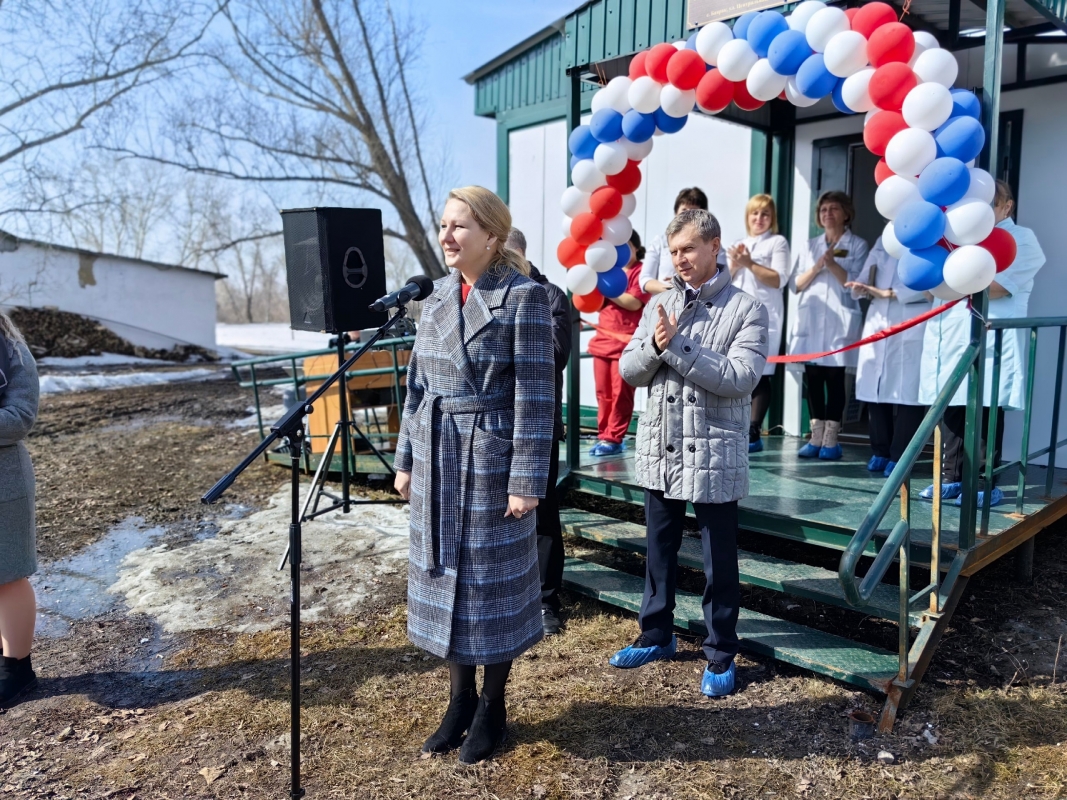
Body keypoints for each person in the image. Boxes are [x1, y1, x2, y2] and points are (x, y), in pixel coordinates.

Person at [394, 187, 555, 764]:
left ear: (491, 234)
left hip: (491, 459)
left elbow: (538, 398)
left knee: (490, 590)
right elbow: (416, 388)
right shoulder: (432, 298)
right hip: (437, 456)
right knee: (446, 583)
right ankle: (459, 700)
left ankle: (493, 705)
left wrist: (525, 479)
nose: (447, 235)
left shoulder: (524, 298)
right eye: (443, 225)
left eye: (460, 226)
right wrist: (406, 460)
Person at [612, 209, 768, 698]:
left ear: (714, 247)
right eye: (674, 250)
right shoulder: (658, 305)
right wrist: (658, 348)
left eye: (688, 249)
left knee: (718, 558)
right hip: (662, 446)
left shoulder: (747, 309)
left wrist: (675, 346)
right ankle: (655, 634)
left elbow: (741, 377)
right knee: (658, 549)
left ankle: (721, 650)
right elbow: (629, 369)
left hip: (714, 453)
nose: (679, 259)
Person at [918, 181, 1046, 507]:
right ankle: (950, 479)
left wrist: (954, 279)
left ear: (1007, 207)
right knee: (951, 405)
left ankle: (983, 483)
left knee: (986, 408)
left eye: (991, 203)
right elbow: (930, 284)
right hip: (952, 333)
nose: (983, 211)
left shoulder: (1020, 239)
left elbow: (999, 285)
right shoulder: (957, 238)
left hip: (990, 336)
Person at [504, 228, 572, 637]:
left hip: (538, 424)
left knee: (543, 516)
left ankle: (547, 602)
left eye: (510, 259)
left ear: (524, 257)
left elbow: (554, 356)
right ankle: (510, 593)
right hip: (495, 427)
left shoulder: (551, 297)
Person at [788, 191, 869, 460]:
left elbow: (857, 284)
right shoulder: (809, 245)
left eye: (834, 209)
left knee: (835, 379)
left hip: (840, 320)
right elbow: (796, 285)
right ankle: (815, 437)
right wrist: (817, 266)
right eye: (823, 210)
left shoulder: (857, 245)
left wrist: (832, 264)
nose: (828, 214)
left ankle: (831, 440)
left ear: (846, 214)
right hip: (811, 319)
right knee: (813, 379)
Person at [845, 237, 931, 476]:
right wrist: (860, 286)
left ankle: (902, 455)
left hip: (911, 318)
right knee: (874, 388)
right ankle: (880, 451)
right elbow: (867, 272)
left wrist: (891, 293)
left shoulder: (925, 236)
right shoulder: (884, 239)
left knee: (908, 392)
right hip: (878, 319)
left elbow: (931, 283)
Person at [727, 194, 790, 453]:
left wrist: (749, 263)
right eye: (755, 213)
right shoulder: (738, 244)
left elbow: (779, 279)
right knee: (739, 370)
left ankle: (754, 430)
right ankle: (739, 427)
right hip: (738, 316)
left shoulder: (778, 242)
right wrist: (735, 264)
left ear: (772, 218)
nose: (759, 219)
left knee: (761, 373)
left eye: (765, 214)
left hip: (766, 317)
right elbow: (725, 280)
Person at [0, 310, 39, 707]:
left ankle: (18, 669)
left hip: (3, 482)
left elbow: (20, 418)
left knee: (8, 573)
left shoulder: (12, 350)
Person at [588, 230, 653, 457]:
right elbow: (594, 303)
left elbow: (634, 302)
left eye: (626, 246)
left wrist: (606, 286)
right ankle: (603, 434)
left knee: (621, 393)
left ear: (636, 247)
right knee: (602, 393)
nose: (621, 252)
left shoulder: (641, 271)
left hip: (627, 342)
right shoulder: (606, 271)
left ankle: (614, 437)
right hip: (603, 340)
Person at [639, 187, 726, 294]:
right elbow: (645, 280)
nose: (687, 215)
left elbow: (721, 276)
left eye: (689, 248)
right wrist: (673, 289)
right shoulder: (660, 242)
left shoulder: (713, 244)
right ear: (676, 213)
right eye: (673, 252)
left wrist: (689, 287)